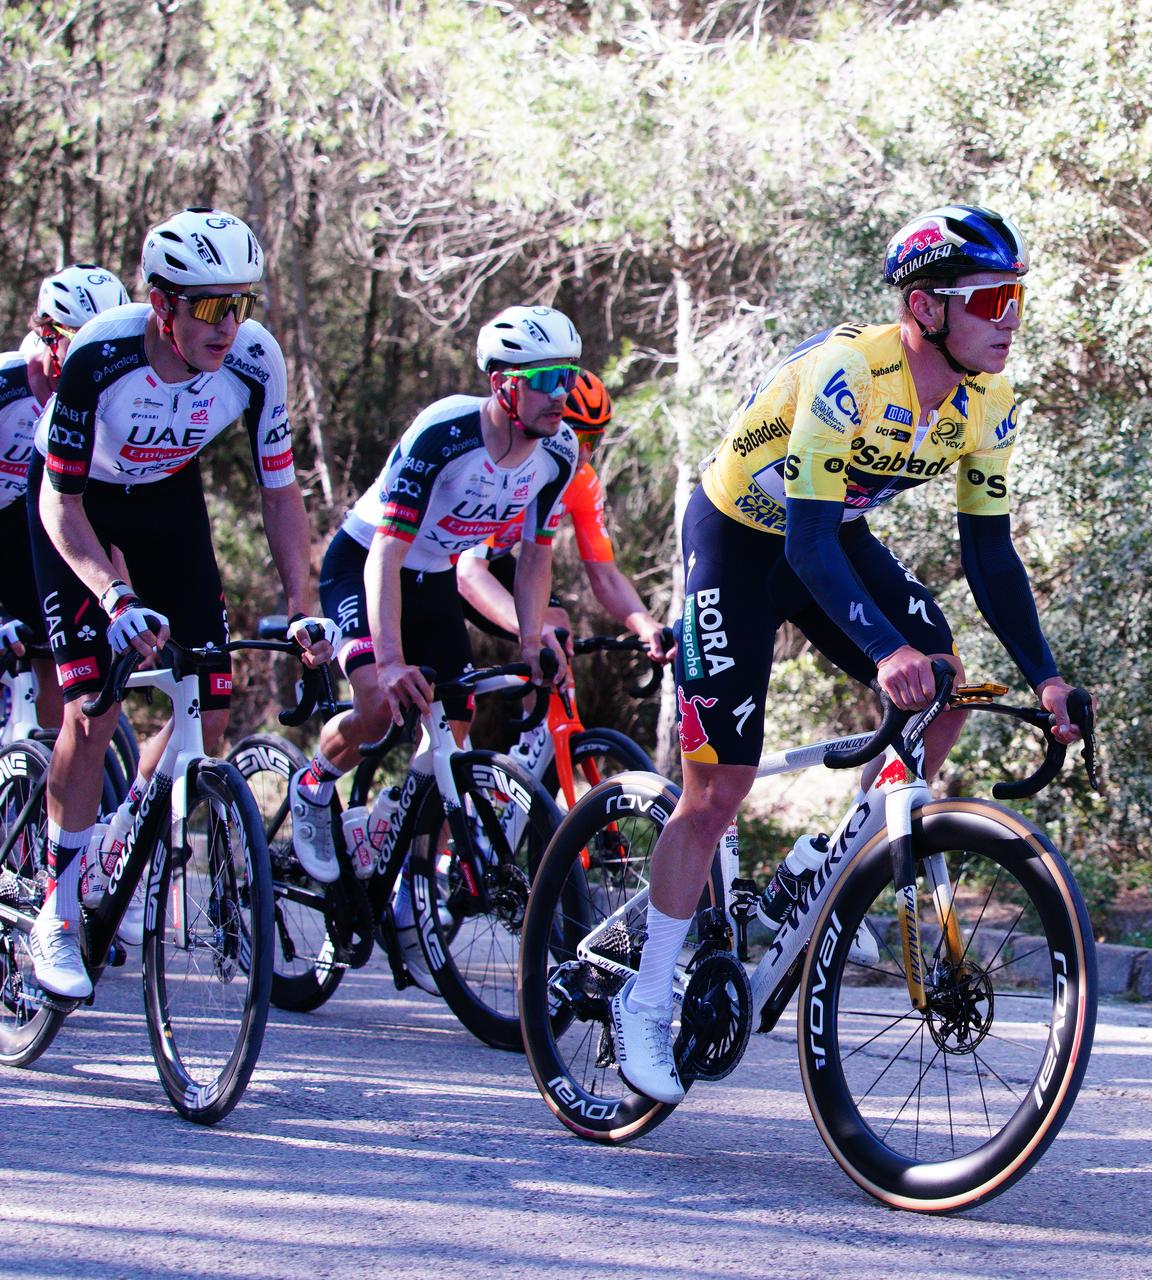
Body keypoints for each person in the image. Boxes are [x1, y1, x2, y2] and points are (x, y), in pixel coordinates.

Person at [609, 204, 1083, 1103]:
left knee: (944, 685)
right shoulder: (848, 374)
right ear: (927, 307)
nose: (1011, 318)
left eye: (1017, 296)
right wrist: (881, 653)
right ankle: (644, 999)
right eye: (991, 298)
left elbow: (990, 552)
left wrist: (1047, 676)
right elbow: (805, 546)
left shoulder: (989, 401)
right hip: (745, 537)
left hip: (830, 530)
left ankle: (829, 863)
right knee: (720, 790)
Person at [25, 209, 334, 1000]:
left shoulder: (257, 361)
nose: (228, 325)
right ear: (162, 304)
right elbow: (59, 508)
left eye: (242, 304)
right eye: (209, 306)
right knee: (91, 710)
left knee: (213, 698)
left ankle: (122, 828)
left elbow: (279, 491)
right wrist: (114, 595)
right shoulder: (100, 354)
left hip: (167, 502)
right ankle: (57, 913)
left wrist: (303, 604)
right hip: (82, 504)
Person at [287, 305, 581, 881]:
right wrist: (391, 660)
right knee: (375, 705)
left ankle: (396, 841)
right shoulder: (444, 432)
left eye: (568, 377)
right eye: (546, 380)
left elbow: (535, 554)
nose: (561, 394)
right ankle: (314, 782)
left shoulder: (560, 453)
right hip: (364, 564)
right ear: (502, 385)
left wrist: (529, 640)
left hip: (435, 577)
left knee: (456, 721)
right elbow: (386, 553)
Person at [455, 369, 673, 662]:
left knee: (556, 627)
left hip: (488, 563)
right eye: (573, 435)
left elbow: (604, 575)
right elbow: (468, 574)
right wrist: (532, 632)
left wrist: (644, 623)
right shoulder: (502, 465)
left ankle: (550, 709)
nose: (581, 454)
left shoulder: (581, 481)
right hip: (441, 564)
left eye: (591, 441)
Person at [1, 264, 131, 731]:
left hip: (37, 521)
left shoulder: (104, 392)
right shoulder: (7, 386)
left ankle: (43, 759)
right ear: (50, 335)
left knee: (57, 646)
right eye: (82, 345)